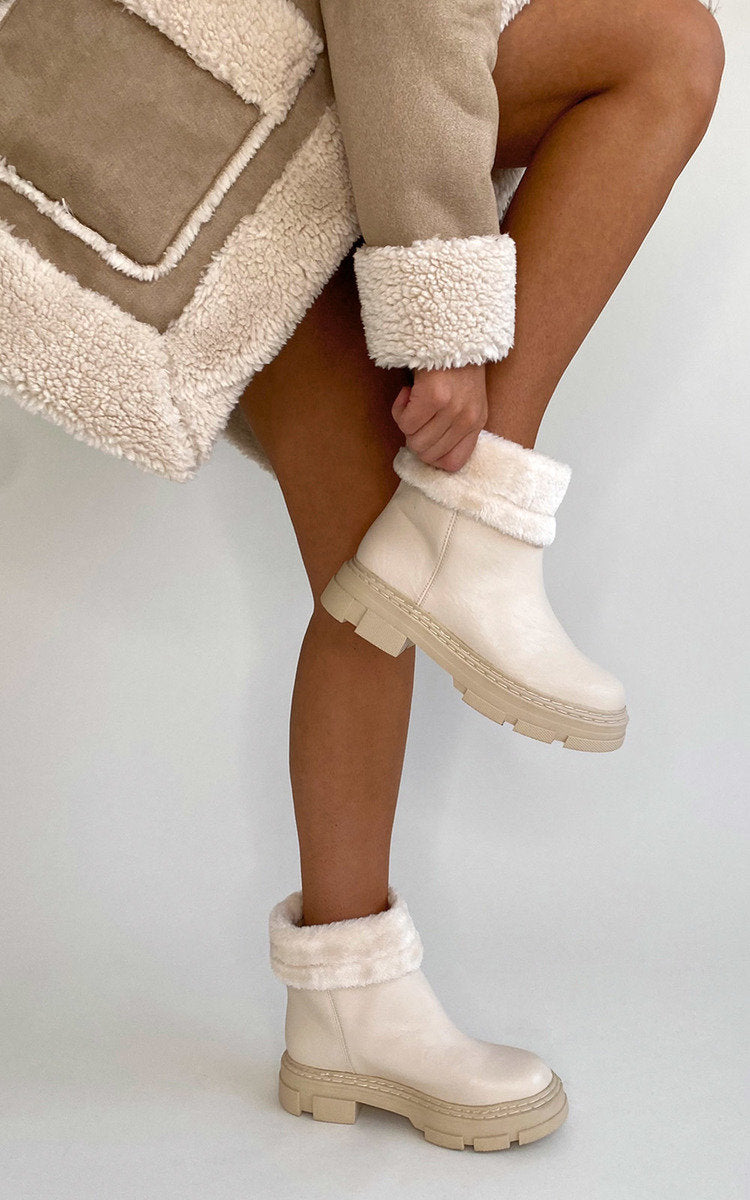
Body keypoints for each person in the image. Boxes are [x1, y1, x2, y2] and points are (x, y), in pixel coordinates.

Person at [235, 0, 724, 1151]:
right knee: (664, 45)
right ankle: (476, 504)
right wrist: (443, 319)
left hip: (203, 133)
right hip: (216, 119)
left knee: (379, 564)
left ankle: (345, 1007)